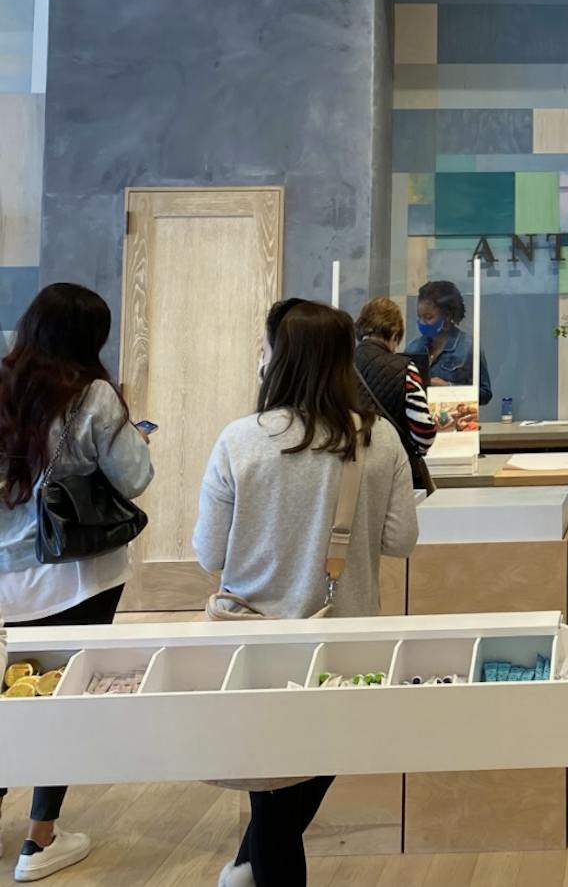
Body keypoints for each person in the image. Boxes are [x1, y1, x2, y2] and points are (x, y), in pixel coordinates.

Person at [196, 301, 419, 887]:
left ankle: (250, 865)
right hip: (349, 643)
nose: (259, 358)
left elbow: (209, 555)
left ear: (280, 358)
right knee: (308, 770)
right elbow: (400, 540)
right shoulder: (379, 439)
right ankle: (250, 866)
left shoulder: (240, 441)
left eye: (264, 348)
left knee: (274, 788)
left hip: (256, 645)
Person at [0, 283, 153, 882]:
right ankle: (39, 840)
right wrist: (135, 433)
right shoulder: (94, 397)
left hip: (5, 579)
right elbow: (134, 477)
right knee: (64, 699)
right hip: (76, 578)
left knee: (8, 697)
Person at [354, 297, 436, 492]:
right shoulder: (405, 369)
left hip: (351, 474)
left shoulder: (337, 367)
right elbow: (423, 433)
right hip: (395, 475)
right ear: (394, 334)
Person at [405, 280, 491, 405]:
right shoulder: (413, 348)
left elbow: (485, 394)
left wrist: (448, 388)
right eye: (419, 317)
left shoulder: (469, 347)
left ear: (447, 315)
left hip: (456, 421)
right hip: (419, 421)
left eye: (429, 317)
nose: (422, 323)